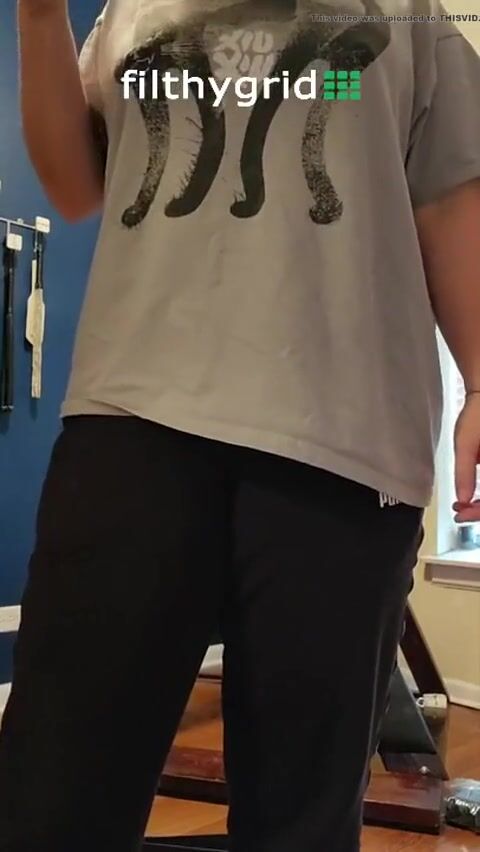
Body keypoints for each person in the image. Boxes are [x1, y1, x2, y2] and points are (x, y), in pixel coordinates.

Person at [1, 0, 480, 850]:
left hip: (343, 429)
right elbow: (77, 191)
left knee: (301, 815)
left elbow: (451, 201)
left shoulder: (411, 16)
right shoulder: (130, 10)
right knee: (54, 795)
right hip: (131, 413)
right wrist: (40, 19)